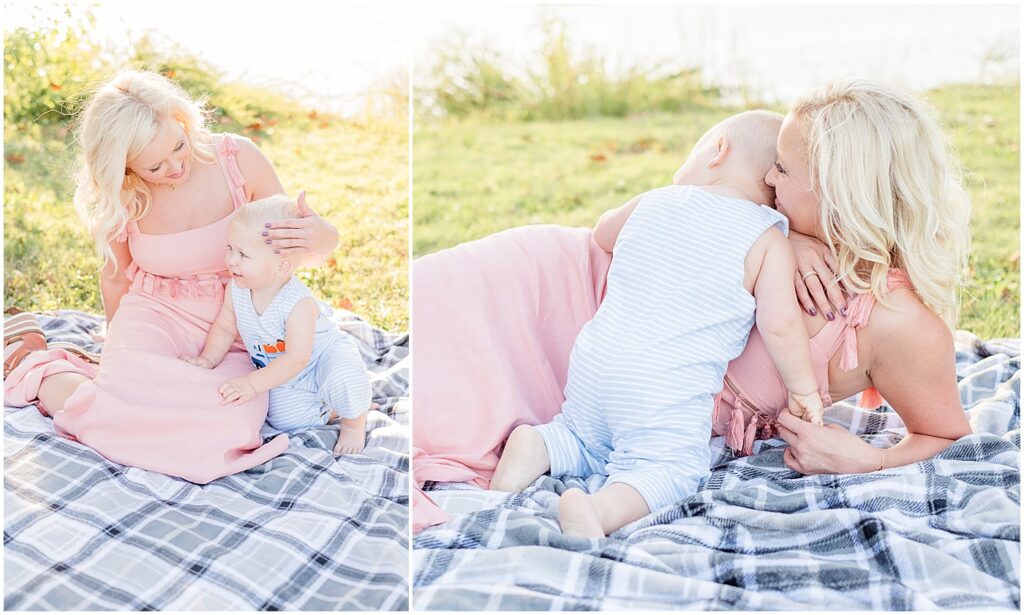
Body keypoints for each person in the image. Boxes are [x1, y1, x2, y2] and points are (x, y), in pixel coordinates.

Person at [411, 79, 974, 532]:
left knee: (468, 395)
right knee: (441, 319)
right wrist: (783, 234)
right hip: (567, 288)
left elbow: (946, 437)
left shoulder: (900, 325)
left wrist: (866, 460)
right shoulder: (772, 236)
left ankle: (539, 447)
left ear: (841, 194)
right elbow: (647, 230)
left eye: (781, 170)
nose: (766, 179)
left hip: (602, 364)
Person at [490, 111, 825, 538]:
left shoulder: (656, 200)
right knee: (671, 469)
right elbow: (782, 327)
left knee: (583, 438)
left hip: (593, 366)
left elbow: (603, 233)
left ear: (717, 150)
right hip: (661, 386)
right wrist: (804, 390)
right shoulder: (767, 240)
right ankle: (600, 511)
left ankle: (541, 444)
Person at [3, 69, 340, 483]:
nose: (177, 166)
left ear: (182, 121)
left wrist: (325, 235)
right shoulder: (124, 196)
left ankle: (122, 414)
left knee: (230, 425)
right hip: (155, 312)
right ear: (124, 167)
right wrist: (116, 347)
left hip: (238, 320)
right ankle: (41, 365)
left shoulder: (238, 160)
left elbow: (295, 250)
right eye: (156, 166)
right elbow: (115, 279)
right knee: (118, 397)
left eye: (179, 146)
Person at [181, 195, 373, 455]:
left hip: (320, 358)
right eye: (230, 249)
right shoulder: (238, 290)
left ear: (281, 266)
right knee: (288, 422)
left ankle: (354, 420)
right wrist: (208, 358)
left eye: (243, 255)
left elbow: (297, 358)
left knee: (342, 377)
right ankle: (330, 409)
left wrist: (250, 384)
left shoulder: (297, 303)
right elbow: (225, 327)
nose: (231, 261)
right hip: (280, 371)